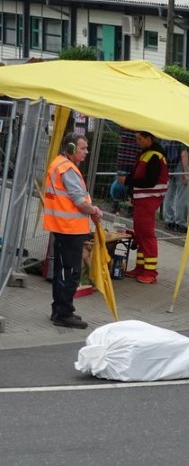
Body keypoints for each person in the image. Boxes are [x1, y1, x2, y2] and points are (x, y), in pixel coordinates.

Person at [43, 134, 103, 329]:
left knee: (65, 271)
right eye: (83, 148)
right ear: (71, 148)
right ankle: (63, 313)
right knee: (70, 272)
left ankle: (62, 309)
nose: (86, 151)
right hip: (69, 229)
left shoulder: (60, 164)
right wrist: (94, 210)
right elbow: (79, 200)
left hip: (64, 227)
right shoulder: (67, 169)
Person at [119, 130, 168, 284]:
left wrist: (127, 181)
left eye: (140, 139)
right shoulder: (146, 153)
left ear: (149, 138)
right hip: (142, 199)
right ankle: (141, 267)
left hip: (148, 199)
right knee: (140, 233)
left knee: (146, 234)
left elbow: (149, 181)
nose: (137, 141)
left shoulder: (154, 156)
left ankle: (150, 271)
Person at [161, 139, 189, 233]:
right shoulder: (182, 137)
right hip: (179, 166)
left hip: (169, 167)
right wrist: (186, 173)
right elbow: (184, 154)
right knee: (182, 196)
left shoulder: (167, 136)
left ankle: (169, 220)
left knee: (169, 195)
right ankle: (181, 223)